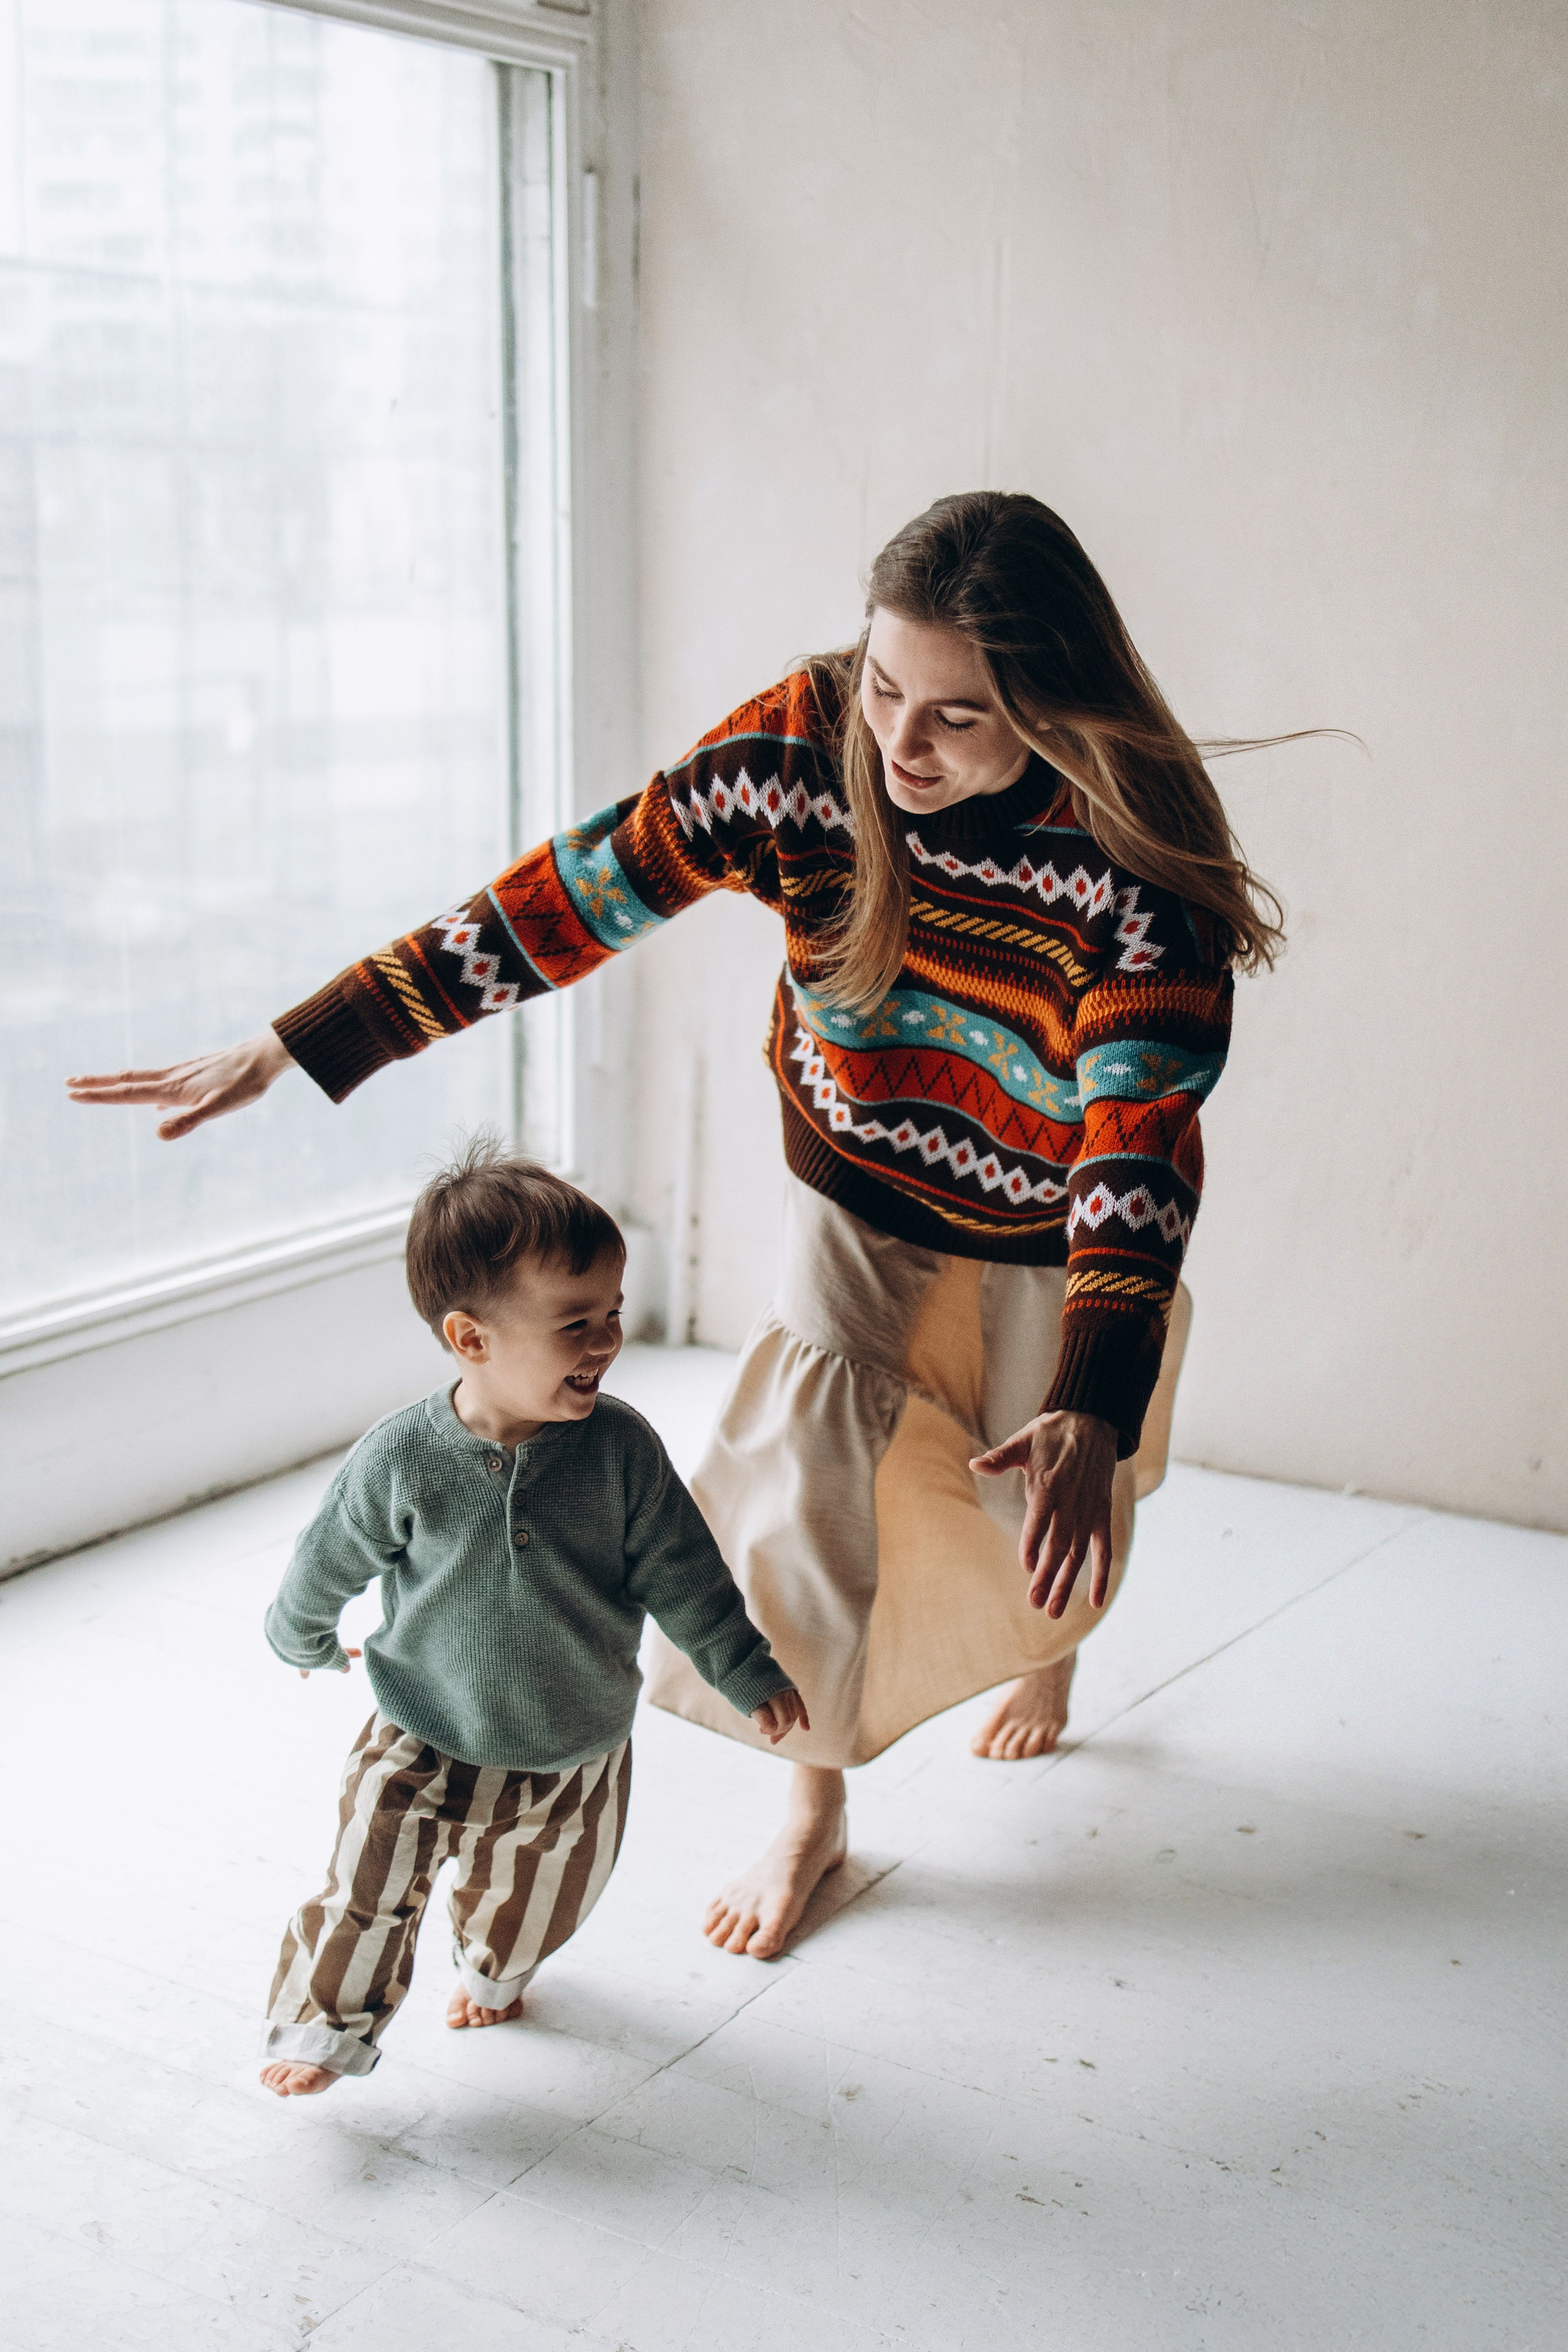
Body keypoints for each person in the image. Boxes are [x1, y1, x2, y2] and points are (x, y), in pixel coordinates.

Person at [72, 491, 1284, 1968]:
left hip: (1053, 1212)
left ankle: (1048, 1646)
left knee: (1033, 1484)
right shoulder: (804, 745)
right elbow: (574, 894)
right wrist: (307, 1040)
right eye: (885, 686)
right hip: (856, 1169)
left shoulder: (1135, 868)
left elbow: (1135, 1149)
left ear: (1057, 704)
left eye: (957, 720)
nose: (897, 747)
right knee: (810, 1477)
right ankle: (813, 1807)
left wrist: (1093, 1396)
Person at [258, 1145, 805, 2095]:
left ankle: (495, 1972)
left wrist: (744, 1667)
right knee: (366, 1882)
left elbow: (686, 1573)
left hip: (571, 1741)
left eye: (613, 1316)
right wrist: (299, 1629)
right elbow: (329, 1554)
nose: (604, 1342)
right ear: (471, 1339)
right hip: (420, 1721)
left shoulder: (622, 1453)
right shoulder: (402, 1457)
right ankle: (322, 2028)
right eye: (574, 1324)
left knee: (534, 1900)